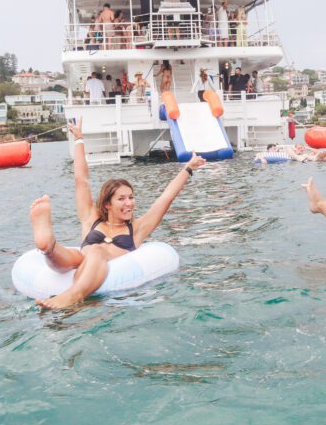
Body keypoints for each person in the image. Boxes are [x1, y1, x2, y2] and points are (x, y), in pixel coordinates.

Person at [28, 117, 206, 309]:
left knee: (94, 251)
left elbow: (166, 197)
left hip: (98, 260)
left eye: (131, 197)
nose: (129, 203)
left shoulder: (137, 229)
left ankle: (65, 280)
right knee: (77, 254)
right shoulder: (92, 218)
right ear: (107, 204)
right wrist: (79, 139)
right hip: (83, 259)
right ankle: (48, 246)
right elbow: (81, 180)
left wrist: (188, 168)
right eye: (121, 199)